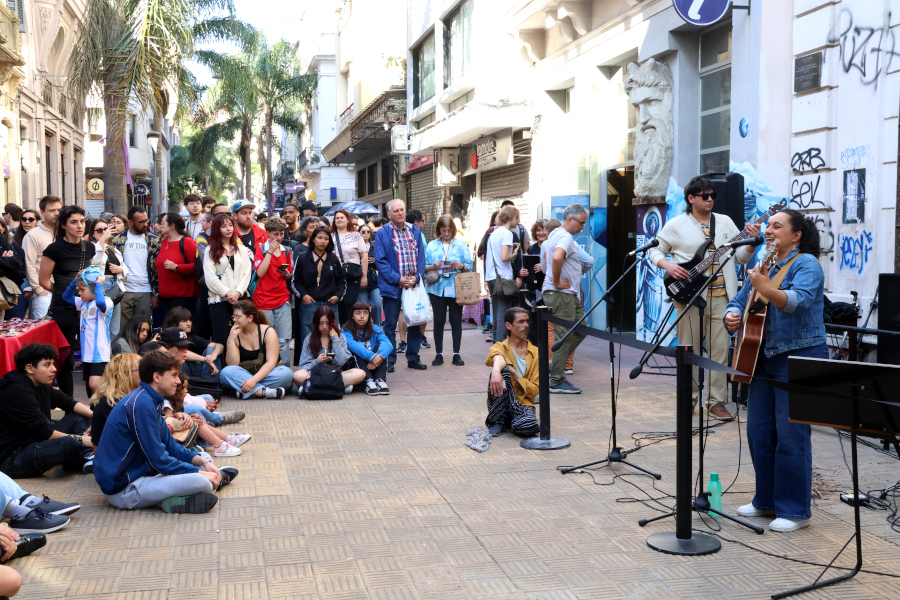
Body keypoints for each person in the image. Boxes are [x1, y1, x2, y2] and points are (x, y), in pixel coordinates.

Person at [724, 210, 826, 533]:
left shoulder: (806, 264)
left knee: (792, 436)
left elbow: (797, 301)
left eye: (776, 226)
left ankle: (795, 510)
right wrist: (731, 315)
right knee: (758, 432)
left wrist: (764, 287)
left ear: (795, 235)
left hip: (798, 355)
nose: (769, 230)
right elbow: (739, 301)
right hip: (761, 357)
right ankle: (765, 501)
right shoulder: (763, 264)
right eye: (768, 226)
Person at [648, 176, 759, 419]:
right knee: (689, 349)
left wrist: (751, 243)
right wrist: (667, 265)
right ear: (691, 198)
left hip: (722, 297)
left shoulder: (726, 222)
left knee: (720, 351)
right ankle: (690, 399)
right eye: (705, 196)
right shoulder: (676, 225)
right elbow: (655, 250)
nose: (710, 200)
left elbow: (740, 258)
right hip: (688, 297)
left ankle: (716, 402)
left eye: (713, 196)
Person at [93, 350, 236, 513]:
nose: (177, 381)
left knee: (204, 457)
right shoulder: (141, 404)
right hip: (125, 489)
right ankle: (192, 491)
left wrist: (204, 464)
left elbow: (172, 447)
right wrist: (199, 473)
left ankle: (190, 490)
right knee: (201, 481)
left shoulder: (150, 399)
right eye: (174, 375)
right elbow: (159, 459)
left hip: (142, 473)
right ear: (156, 377)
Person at [0, 343, 94, 478]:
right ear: (30, 368)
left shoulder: (39, 383)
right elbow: (45, 432)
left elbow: (68, 402)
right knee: (70, 443)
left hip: (34, 441)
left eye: (53, 364)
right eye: (47, 365)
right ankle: (83, 455)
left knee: (78, 417)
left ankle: (85, 455)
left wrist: (96, 416)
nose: (54, 369)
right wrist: (82, 440)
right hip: (12, 457)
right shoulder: (18, 391)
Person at [39, 205, 98, 397]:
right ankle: (68, 403)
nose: (80, 226)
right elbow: (43, 280)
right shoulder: (54, 249)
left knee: (91, 353)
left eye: (82, 221)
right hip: (63, 307)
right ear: (63, 225)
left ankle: (93, 403)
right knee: (66, 357)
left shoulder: (89, 247)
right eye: (74, 222)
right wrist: (62, 293)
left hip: (87, 305)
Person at [539, 204, 589, 395]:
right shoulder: (565, 236)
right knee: (564, 336)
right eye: (581, 223)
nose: (582, 227)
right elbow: (557, 258)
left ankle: (554, 369)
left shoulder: (555, 235)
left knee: (580, 330)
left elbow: (549, 260)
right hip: (561, 295)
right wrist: (558, 282)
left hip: (568, 295)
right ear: (570, 219)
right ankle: (556, 380)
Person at [373, 200, 427, 372]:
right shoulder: (382, 233)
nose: (400, 213)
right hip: (393, 286)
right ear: (389, 214)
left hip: (413, 285)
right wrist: (398, 279)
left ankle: (413, 357)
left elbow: (421, 257)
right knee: (389, 324)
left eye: (402, 210)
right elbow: (380, 261)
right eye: (396, 211)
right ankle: (390, 360)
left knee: (415, 321)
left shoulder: (414, 229)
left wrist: (418, 277)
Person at [424, 215, 472, 366]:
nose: (446, 234)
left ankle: (456, 354)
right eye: (443, 231)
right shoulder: (431, 245)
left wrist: (461, 266)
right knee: (438, 320)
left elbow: (469, 264)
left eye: (449, 231)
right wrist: (433, 266)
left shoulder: (460, 245)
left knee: (455, 320)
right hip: (436, 288)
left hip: (456, 287)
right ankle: (438, 353)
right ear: (438, 230)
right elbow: (423, 266)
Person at [219, 300, 293, 399]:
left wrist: (253, 380)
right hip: (246, 374)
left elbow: (271, 362)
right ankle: (263, 392)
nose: (234, 320)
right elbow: (233, 365)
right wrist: (231, 340)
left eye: (238, 316)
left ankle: (246, 390)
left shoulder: (267, 331)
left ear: (250, 318)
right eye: (233, 316)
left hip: (269, 373)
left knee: (286, 374)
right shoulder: (235, 335)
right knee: (226, 372)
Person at [485, 308, 540, 437]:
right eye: (521, 322)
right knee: (501, 372)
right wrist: (496, 371)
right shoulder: (500, 346)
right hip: (502, 400)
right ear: (508, 325)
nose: (526, 325)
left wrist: (514, 372)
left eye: (527, 321)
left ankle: (511, 420)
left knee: (529, 428)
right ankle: (496, 420)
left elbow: (535, 390)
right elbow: (497, 356)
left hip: (523, 402)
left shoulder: (536, 352)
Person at [292, 225, 345, 348]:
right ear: (313, 239)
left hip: (330, 304)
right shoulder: (303, 256)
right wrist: (303, 295)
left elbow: (342, 281)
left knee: (332, 335)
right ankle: (308, 365)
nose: (323, 241)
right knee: (308, 337)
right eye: (320, 238)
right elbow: (295, 281)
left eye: (326, 239)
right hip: (309, 304)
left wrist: (338, 296)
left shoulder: (333, 258)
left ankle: (332, 364)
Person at [203, 213, 252, 346]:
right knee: (221, 338)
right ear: (216, 229)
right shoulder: (210, 250)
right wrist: (227, 293)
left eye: (230, 225)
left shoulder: (241, 248)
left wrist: (237, 292)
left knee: (244, 334)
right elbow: (210, 276)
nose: (228, 229)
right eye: (224, 226)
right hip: (219, 299)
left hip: (241, 297)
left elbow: (247, 272)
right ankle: (222, 366)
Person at [62, 266, 112, 397]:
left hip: (99, 354)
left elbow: (100, 302)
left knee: (95, 385)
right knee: (91, 391)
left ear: (93, 289)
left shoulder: (106, 302)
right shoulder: (83, 303)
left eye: (82, 290)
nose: (79, 293)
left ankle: (104, 411)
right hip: (87, 354)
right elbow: (66, 296)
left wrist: (99, 284)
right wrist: (75, 281)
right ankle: (94, 413)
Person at [293, 305, 366, 394]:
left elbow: (342, 361)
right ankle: (338, 387)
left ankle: (311, 387)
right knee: (297, 375)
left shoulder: (340, 337)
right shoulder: (309, 339)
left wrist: (335, 338)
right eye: (321, 323)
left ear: (333, 322)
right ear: (316, 323)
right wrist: (317, 361)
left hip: (335, 374)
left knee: (360, 373)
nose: (324, 327)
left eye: (327, 323)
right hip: (316, 375)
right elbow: (302, 367)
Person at [252, 217, 293, 366]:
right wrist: (269, 252)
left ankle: (285, 373)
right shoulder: (260, 250)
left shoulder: (286, 250)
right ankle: (268, 371)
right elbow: (260, 273)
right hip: (263, 301)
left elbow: (289, 275)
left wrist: (286, 273)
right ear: (267, 233)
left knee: (283, 340)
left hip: (282, 299)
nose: (279, 237)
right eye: (275, 234)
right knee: (265, 340)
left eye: (282, 234)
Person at [111, 206, 161, 325]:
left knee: (143, 329)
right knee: (123, 329)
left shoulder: (154, 241)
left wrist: (156, 293)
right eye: (141, 222)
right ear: (131, 222)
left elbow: (157, 269)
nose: (145, 224)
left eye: (146, 221)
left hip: (145, 291)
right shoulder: (118, 241)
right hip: (124, 291)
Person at [484, 205, 522, 345]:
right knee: (503, 316)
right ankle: (500, 350)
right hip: (503, 278)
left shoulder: (494, 233)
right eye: (517, 218)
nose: (518, 221)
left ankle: (496, 346)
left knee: (497, 314)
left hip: (492, 277)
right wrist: (515, 252)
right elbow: (504, 257)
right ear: (511, 218)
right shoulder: (507, 233)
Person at [90, 352, 141, 448]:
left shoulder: (129, 399)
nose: (146, 373)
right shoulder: (111, 404)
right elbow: (142, 434)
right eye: (141, 369)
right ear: (125, 374)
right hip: (116, 461)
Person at [24, 195, 63, 319]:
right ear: (42, 213)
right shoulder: (33, 235)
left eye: (59, 210)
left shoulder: (65, 232)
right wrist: (38, 290)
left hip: (65, 291)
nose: (56, 213)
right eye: (52, 210)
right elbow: (29, 264)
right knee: (45, 335)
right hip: (44, 293)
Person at [342, 302, 391, 395]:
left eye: (365, 313)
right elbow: (353, 345)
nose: (362, 316)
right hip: (355, 367)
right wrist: (372, 357)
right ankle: (368, 381)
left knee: (381, 349)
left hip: (373, 364)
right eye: (358, 313)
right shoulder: (345, 330)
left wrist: (377, 358)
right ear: (352, 316)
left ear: (369, 315)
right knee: (358, 350)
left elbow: (387, 344)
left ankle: (380, 380)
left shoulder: (375, 328)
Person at [90, 218, 128, 338]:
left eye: (105, 229)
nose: (103, 232)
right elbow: (94, 263)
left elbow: (126, 268)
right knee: (101, 324)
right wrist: (102, 240)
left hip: (115, 286)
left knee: (115, 328)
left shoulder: (113, 249)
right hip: (101, 286)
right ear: (92, 233)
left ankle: (110, 354)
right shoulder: (91, 246)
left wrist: (121, 270)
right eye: (99, 230)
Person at [162, 306, 224, 379]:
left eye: (190, 320)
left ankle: (211, 384)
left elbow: (219, 345)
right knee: (180, 360)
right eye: (184, 321)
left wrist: (213, 356)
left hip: (200, 371)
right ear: (174, 322)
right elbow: (179, 353)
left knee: (211, 349)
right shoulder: (166, 336)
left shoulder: (192, 337)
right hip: (179, 374)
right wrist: (205, 360)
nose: (189, 324)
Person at [155, 211, 198, 313]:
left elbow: (198, 266)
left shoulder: (187, 242)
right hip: (165, 296)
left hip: (182, 297)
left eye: (163, 223)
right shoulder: (164, 241)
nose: (161, 226)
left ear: (172, 226)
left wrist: (177, 267)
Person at [331, 209, 368, 324]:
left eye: (342, 217)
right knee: (338, 304)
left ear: (348, 220)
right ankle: (341, 333)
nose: (339, 219)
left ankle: (350, 331)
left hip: (352, 276)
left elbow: (364, 256)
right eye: (337, 218)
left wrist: (364, 275)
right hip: (334, 276)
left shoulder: (356, 235)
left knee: (349, 303)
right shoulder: (330, 236)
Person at [402, 209, 431, 350]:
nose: (424, 224)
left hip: (416, 277)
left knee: (415, 308)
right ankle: (409, 339)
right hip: (410, 278)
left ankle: (411, 340)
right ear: (416, 222)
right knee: (407, 309)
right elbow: (422, 257)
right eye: (423, 221)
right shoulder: (417, 234)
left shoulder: (419, 234)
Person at [356, 224, 382, 326]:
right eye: (363, 232)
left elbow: (381, 263)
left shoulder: (375, 246)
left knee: (378, 304)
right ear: (359, 233)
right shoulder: (355, 246)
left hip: (373, 279)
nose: (366, 234)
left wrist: (375, 261)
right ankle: (365, 330)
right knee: (363, 308)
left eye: (368, 232)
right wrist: (362, 261)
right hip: (360, 280)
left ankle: (377, 328)